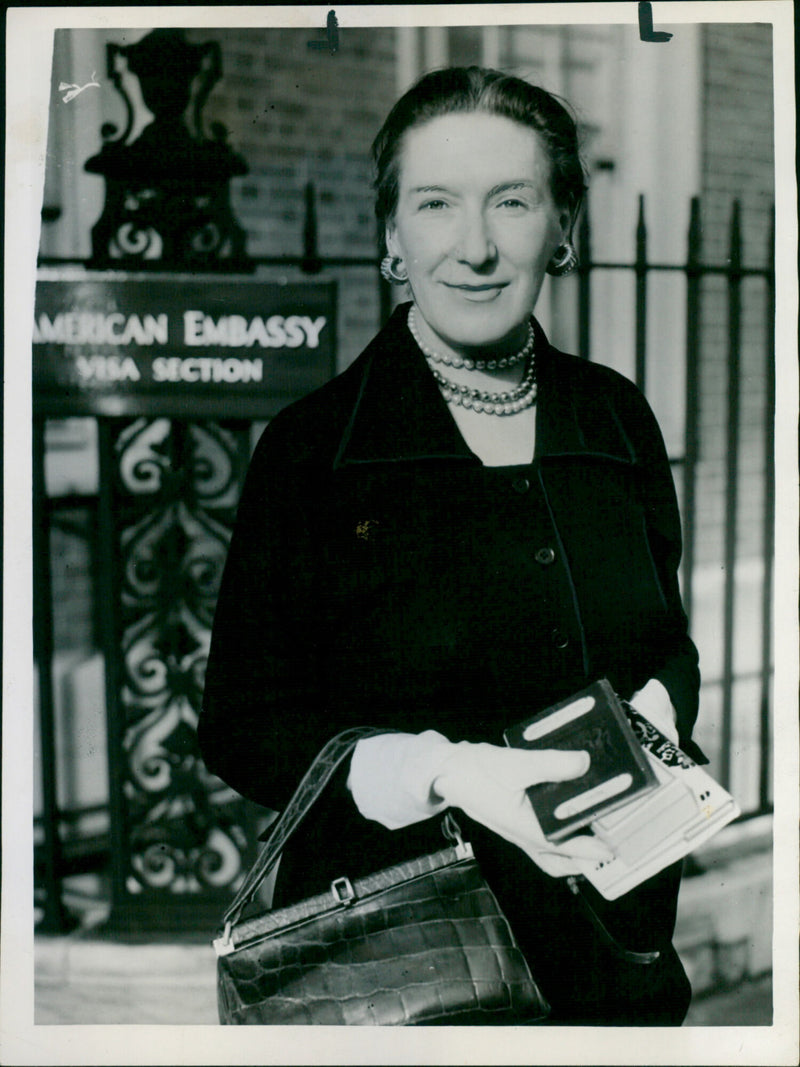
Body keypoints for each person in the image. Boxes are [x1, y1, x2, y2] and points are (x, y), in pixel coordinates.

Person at [199, 66, 706, 1025]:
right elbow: (241, 723)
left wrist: (654, 716)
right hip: (413, 971)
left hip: (615, 952)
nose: (473, 248)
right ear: (394, 235)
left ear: (564, 228)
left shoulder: (616, 419)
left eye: (511, 202)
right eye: (435, 205)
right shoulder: (315, 449)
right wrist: (443, 769)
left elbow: (664, 643)